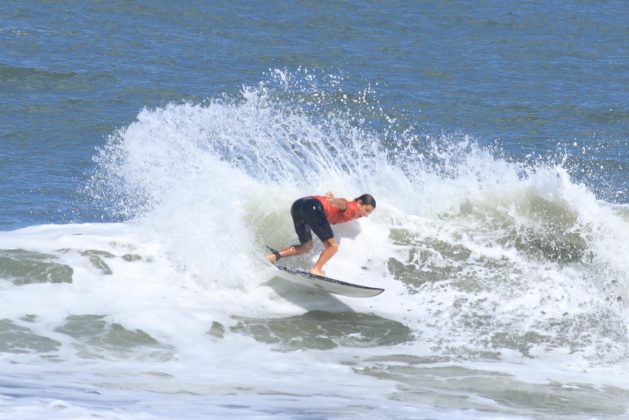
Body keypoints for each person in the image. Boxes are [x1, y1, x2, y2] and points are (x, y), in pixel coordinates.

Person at [267, 192, 376, 276]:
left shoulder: (352, 211)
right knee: (333, 247)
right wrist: (334, 200)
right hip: (313, 207)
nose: (366, 215)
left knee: (306, 247)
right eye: (366, 210)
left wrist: (334, 201)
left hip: (298, 205)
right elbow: (344, 205)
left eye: (369, 213)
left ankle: (274, 257)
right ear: (360, 203)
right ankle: (316, 269)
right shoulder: (353, 208)